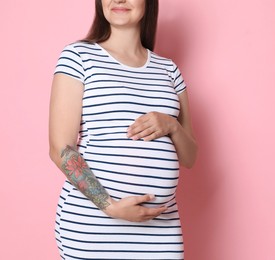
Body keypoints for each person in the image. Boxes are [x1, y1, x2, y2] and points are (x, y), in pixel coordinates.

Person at [49, 0, 197, 259]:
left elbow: (190, 157)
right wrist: (110, 207)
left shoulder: (168, 70)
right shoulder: (79, 57)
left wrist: (172, 125)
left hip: (161, 229)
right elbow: (61, 148)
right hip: (93, 225)